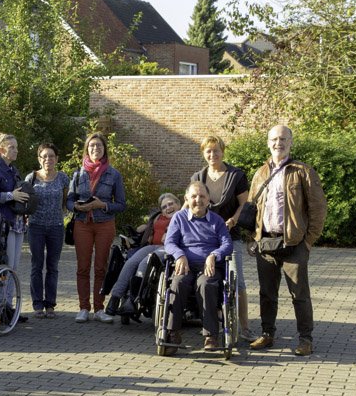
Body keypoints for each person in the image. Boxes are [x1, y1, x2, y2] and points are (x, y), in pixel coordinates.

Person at [248, 125, 327, 357]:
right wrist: (253, 238)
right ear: (268, 142)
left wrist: (308, 241)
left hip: (294, 244)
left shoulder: (303, 171)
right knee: (267, 293)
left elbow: (318, 208)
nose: (278, 143)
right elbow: (251, 208)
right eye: (274, 139)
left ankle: (305, 339)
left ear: (291, 142)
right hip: (266, 243)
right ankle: (267, 333)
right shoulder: (260, 173)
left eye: (283, 138)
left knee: (299, 294)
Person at [191, 135, 253, 340]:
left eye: (216, 150)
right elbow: (189, 202)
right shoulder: (199, 176)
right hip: (204, 237)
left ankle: (245, 328)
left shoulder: (236, 175)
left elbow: (245, 203)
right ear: (203, 154)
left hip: (229, 235)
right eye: (208, 151)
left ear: (223, 151)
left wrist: (234, 219)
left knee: (238, 281)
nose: (212, 154)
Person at [162, 181, 234, 355]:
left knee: (206, 284)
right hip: (185, 265)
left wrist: (213, 255)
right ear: (186, 198)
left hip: (208, 267)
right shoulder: (179, 218)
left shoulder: (217, 221)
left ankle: (210, 336)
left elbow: (227, 244)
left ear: (209, 199)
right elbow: (169, 242)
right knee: (177, 283)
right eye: (194, 196)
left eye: (202, 196)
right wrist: (179, 255)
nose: (198, 200)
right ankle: (172, 333)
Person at [66, 132, 126, 323]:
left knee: (101, 267)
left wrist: (103, 205)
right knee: (83, 267)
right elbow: (69, 199)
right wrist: (75, 206)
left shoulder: (113, 174)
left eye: (99, 146)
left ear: (104, 149)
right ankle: (84, 307)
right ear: (87, 149)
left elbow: (121, 204)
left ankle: (99, 308)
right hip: (82, 224)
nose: (95, 149)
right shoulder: (78, 173)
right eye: (92, 146)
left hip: (104, 224)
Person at [104, 193, 180, 317]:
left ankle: (133, 301)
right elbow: (149, 228)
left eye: (171, 204)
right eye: (164, 206)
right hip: (151, 246)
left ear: (178, 204)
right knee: (131, 262)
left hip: (168, 248)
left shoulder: (181, 216)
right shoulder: (158, 217)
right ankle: (114, 299)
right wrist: (144, 228)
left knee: (145, 263)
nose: (168, 207)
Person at [24, 142, 70, 318]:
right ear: (39, 158)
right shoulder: (31, 178)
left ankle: (50, 304)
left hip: (56, 228)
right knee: (36, 265)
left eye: (51, 156)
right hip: (35, 227)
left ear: (57, 159)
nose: (48, 159)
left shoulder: (63, 178)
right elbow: (25, 201)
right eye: (44, 156)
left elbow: (66, 201)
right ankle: (37, 305)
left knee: (53, 266)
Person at [0, 132, 30, 272]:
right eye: (12, 147)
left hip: (17, 221)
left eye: (16, 147)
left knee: (14, 266)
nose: (16, 150)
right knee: (6, 265)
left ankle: (9, 295)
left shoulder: (13, 170)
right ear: (2, 150)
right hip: (4, 222)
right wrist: (10, 196)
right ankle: (3, 294)